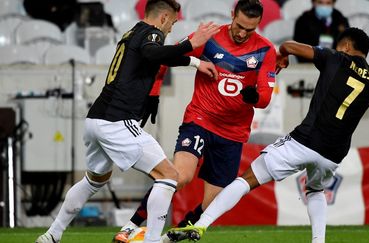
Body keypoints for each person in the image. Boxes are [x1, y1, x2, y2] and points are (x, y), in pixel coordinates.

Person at [169, 27, 369, 243]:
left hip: (305, 141)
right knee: (315, 191)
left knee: (245, 180)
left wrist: (283, 56)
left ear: (346, 46)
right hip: (334, 154)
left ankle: (199, 227)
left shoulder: (335, 58)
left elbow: (289, 46)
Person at [34, 0, 220, 243]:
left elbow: (155, 56)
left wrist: (194, 62)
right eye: (172, 22)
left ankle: (52, 235)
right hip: (117, 121)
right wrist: (190, 45)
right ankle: (152, 241)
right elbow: (153, 52)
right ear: (163, 18)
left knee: (94, 180)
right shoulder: (153, 33)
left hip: (96, 119)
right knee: (169, 175)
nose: (171, 29)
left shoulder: (133, 31)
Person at [112, 0, 287, 242]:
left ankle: (170, 238)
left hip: (233, 133)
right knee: (178, 176)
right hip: (200, 119)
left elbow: (266, 98)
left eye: (250, 30)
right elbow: (165, 58)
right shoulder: (210, 38)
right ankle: (131, 227)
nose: (242, 33)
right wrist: (153, 93)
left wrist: (255, 97)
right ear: (232, 15)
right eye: (239, 26)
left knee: (213, 203)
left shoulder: (265, 50)